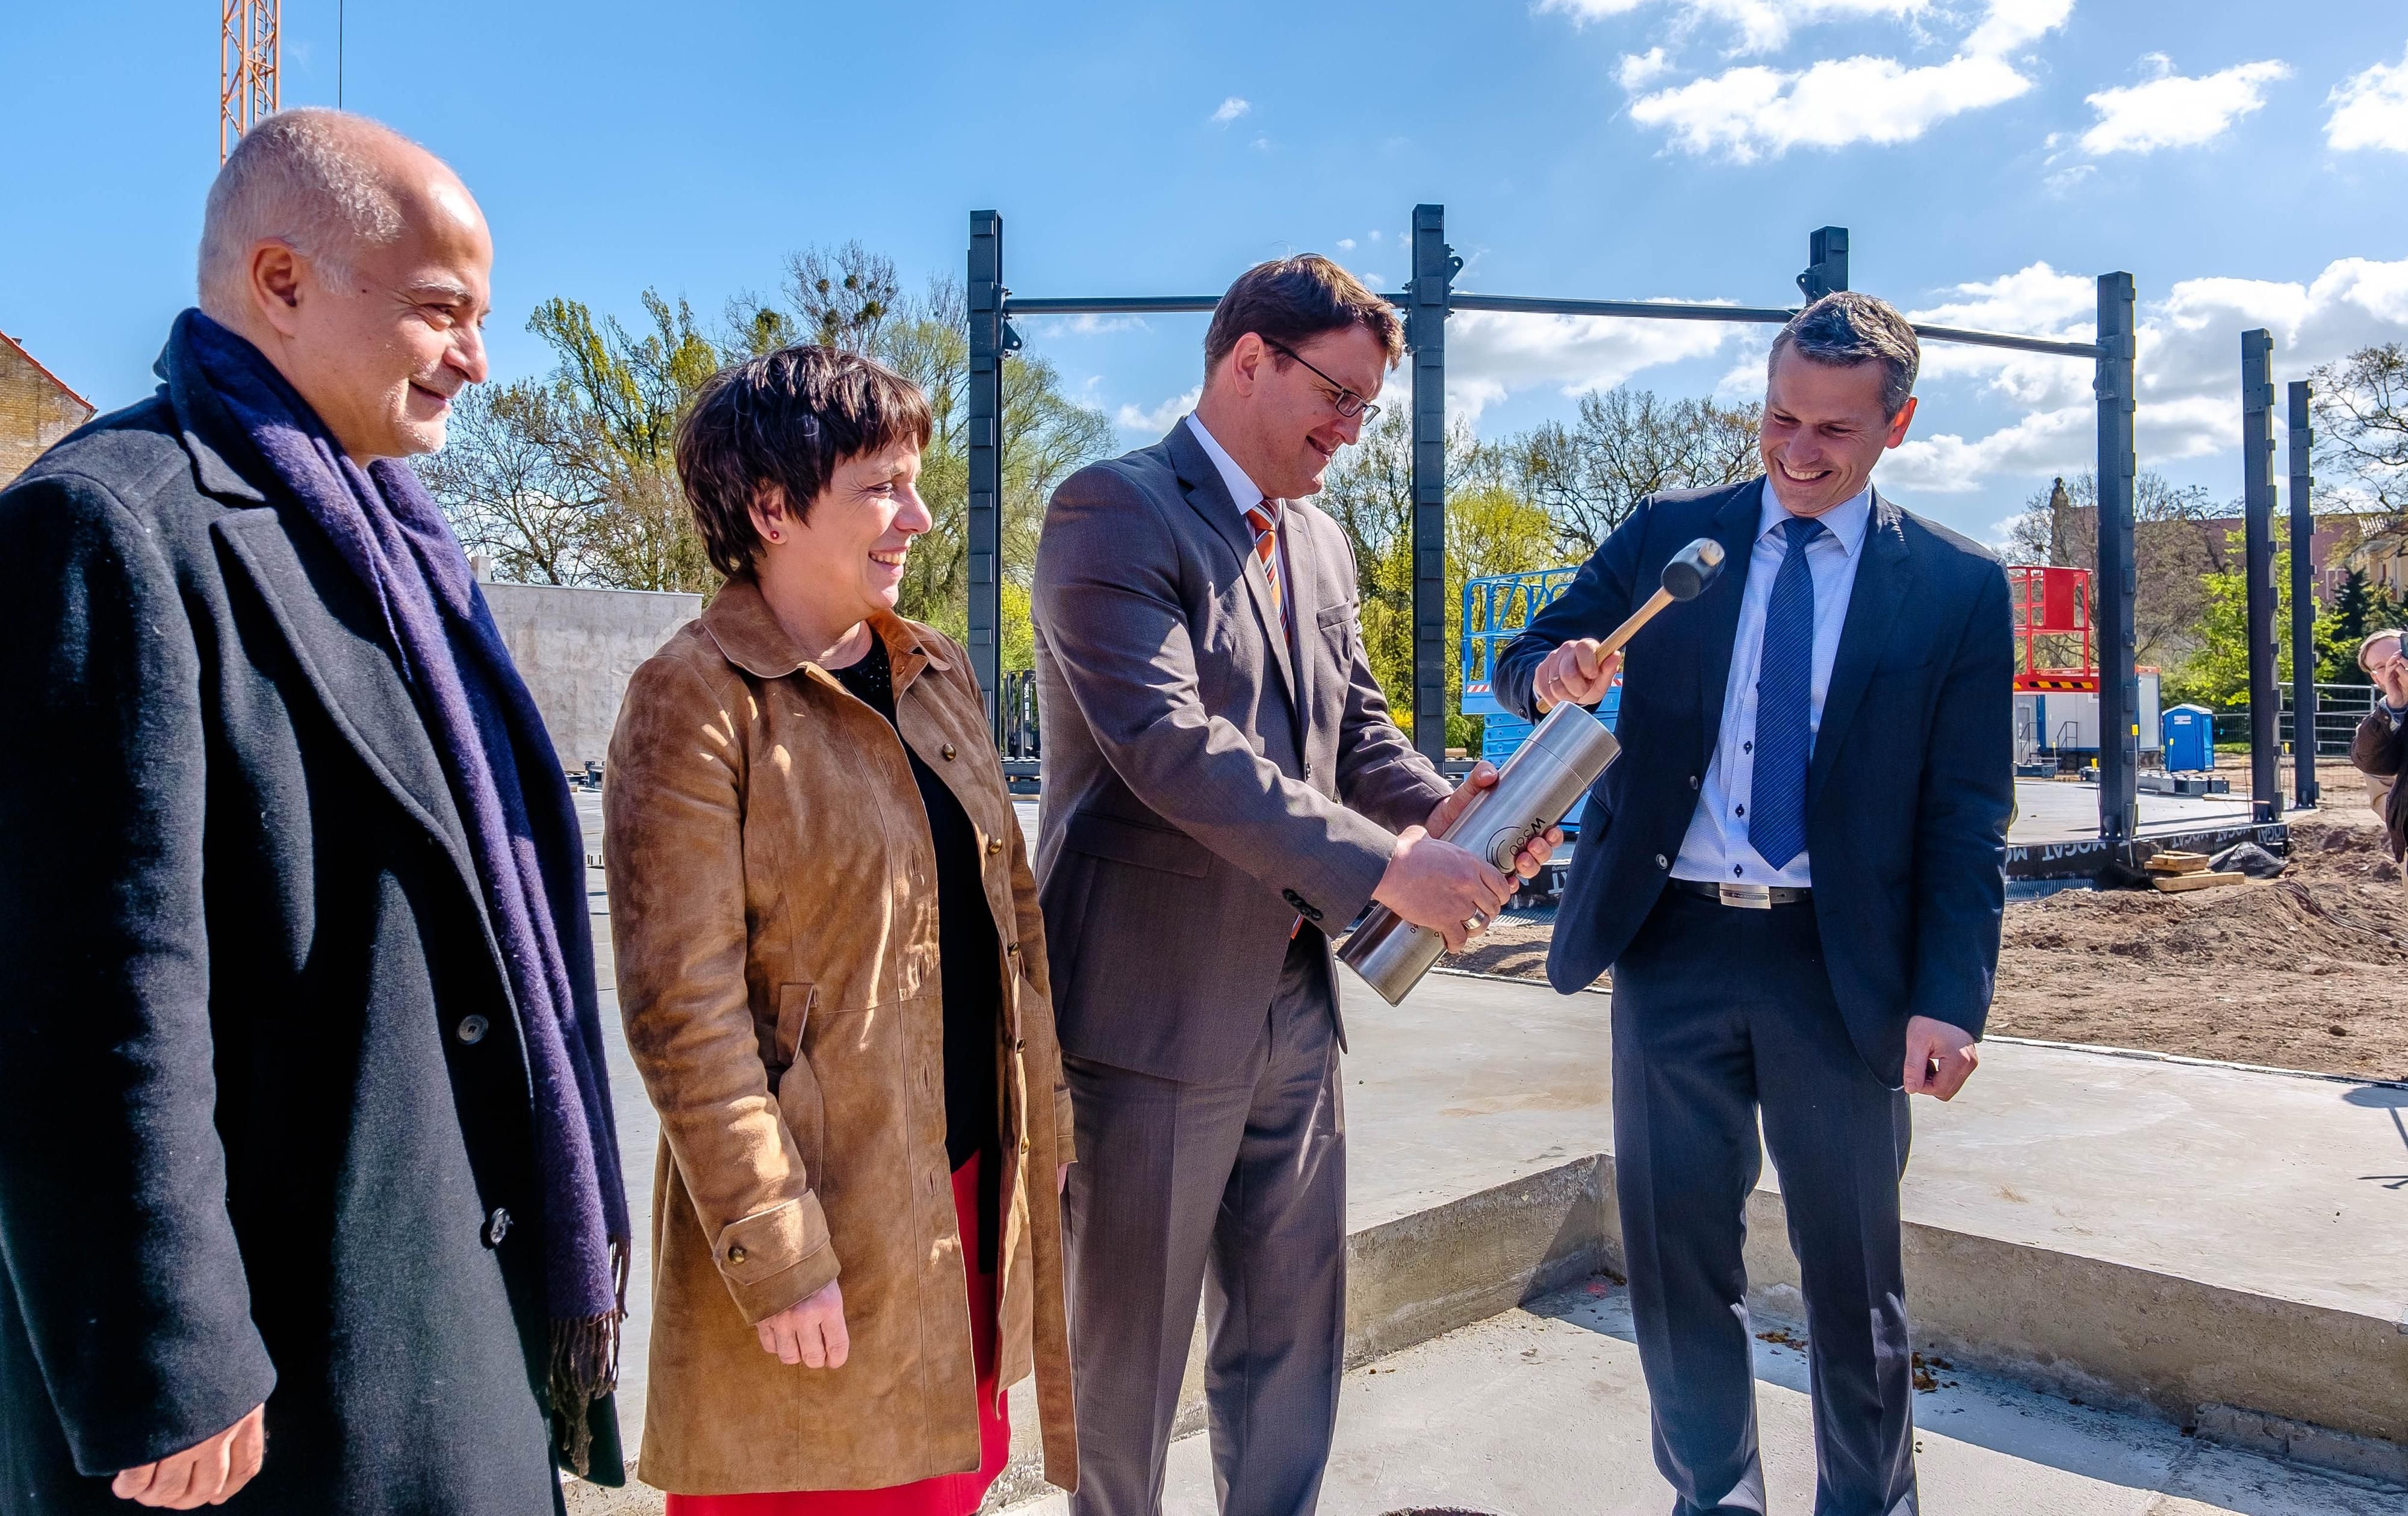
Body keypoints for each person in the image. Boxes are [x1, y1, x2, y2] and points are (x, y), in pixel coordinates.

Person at [0, 108, 629, 1512]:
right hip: (277, 1375)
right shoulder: (109, 523)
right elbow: (90, 987)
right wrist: (169, 1354)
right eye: (439, 310)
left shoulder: (403, 548)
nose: (476, 354)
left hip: (442, 1317)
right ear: (279, 281)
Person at [1031, 255, 1559, 1516]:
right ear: (1246, 359)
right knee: (1128, 1368)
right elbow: (1169, 747)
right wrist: (1393, 868)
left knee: (1289, 1344)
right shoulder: (1110, 510)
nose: (1350, 431)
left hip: (1291, 1005)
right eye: (1337, 395)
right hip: (1143, 1015)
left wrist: (1449, 817)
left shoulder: (1315, 538)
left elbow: (1355, 727)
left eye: (1369, 409)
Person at [1493, 291, 2013, 1516]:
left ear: (1898, 422)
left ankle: (1866, 1501)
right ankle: (1712, 1494)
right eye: (1779, 415)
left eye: (1832, 428)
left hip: (1840, 969)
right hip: (1668, 944)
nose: (1796, 449)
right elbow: (1529, 656)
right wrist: (1550, 672)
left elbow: (1965, 817)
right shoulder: (1676, 534)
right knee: (1674, 1264)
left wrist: (1947, 998)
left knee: (1851, 1275)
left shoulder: (1953, 587)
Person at [602, 344, 1078, 1513]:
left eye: (913, 482)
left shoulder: (935, 671)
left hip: (959, 1205)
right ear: (769, 507)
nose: (916, 516)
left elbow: (1010, 924)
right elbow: (684, 1014)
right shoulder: (692, 696)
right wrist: (779, 1252)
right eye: (880, 486)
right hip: (826, 1226)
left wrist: (1055, 1159)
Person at [2348, 627, 2408, 851]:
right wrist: (2395, 708)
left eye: (2399, 657)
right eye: (2382, 667)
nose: (2394, 668)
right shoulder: (2378, 727)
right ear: (2376, 678)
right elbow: (2381, 791)